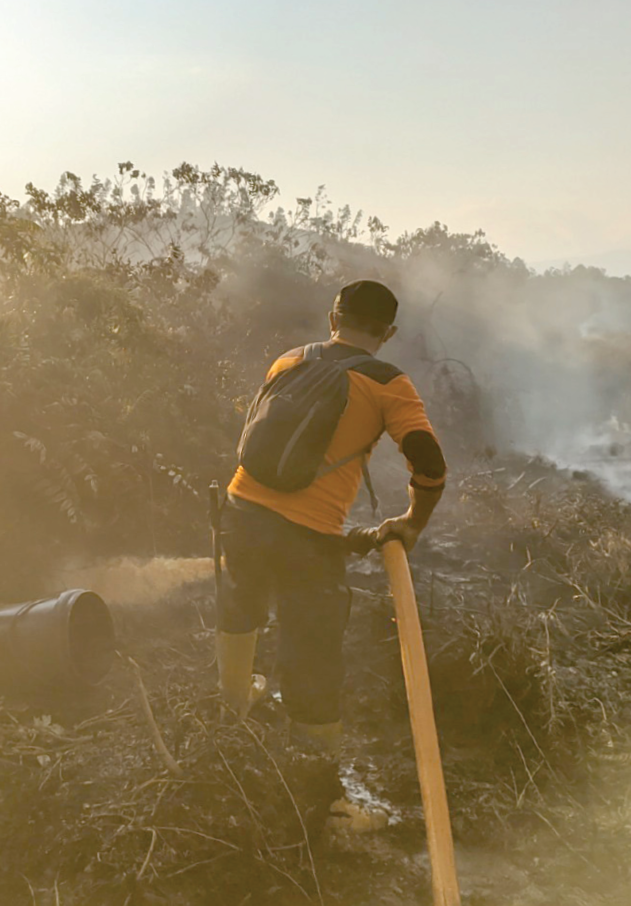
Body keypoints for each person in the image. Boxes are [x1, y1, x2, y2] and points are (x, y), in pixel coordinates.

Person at [220, 279, 447, 824]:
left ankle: (229, 711)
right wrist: (412, 524)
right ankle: (325, 805)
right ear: (387, 332)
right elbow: (429, 463)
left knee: (239, 605)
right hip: (309, 536)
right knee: (313, 659)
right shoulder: (390, 382)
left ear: (333, 316)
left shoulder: (289, 360)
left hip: (240, 510)